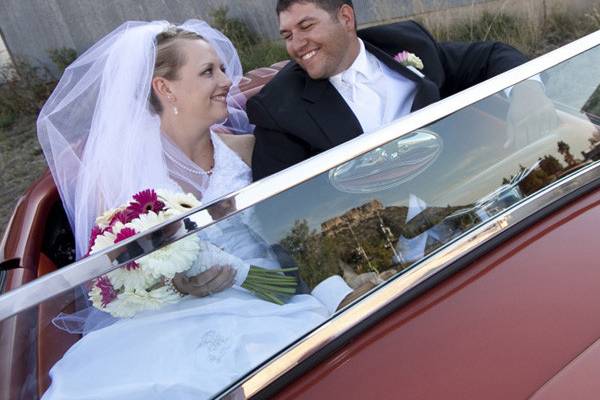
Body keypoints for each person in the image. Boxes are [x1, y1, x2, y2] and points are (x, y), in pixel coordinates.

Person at [37, 20, 355, 399]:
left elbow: (295, 226)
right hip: (169, 319)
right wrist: (172, 282)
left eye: (222, 68)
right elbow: (111, 280)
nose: (226, 82)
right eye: (209, 71)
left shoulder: (250, 150)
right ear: (165, 88)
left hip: (273, 299)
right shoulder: (118, 175)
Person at [248, 0, 558, 180]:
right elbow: (280, 214)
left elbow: (490, 55)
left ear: (345, 18)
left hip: (465, 194)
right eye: (287, 35)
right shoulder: (278, 108)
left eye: (306, 26)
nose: (296, 45)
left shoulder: (408, 44)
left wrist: (526, 91)